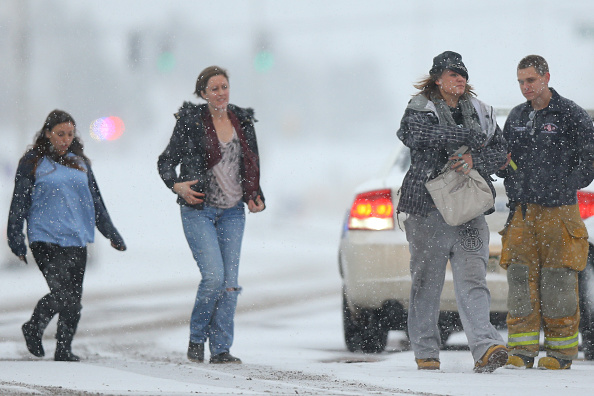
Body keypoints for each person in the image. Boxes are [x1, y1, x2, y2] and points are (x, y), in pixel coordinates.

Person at [397, 51, 508, 372]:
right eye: (452, 74)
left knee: (474, 281)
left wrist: (476, 160)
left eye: (463, 74)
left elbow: (500, 153)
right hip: (427, 210)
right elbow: (416, 136)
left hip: (470, 209)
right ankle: (426, 352)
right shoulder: (420, 107)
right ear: (437, 79)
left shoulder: (482, 111)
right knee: (426, 283)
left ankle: (485, 348)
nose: (460, 79)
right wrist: (467, 137)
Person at [158, 66, 265, 365]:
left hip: (233, 212)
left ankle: (220, 349)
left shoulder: (242, 120)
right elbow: (166, 161)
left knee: (230, 284)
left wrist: (256, 195)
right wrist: (175, 185)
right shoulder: (191, 121)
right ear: (203, 93)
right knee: (214, 278)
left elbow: (251, 163)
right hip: (199, 210)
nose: (220, 93)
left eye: (224, 87)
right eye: (214, 88)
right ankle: (196, 338)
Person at [497, 55, 594, 370]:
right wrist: (509, 177)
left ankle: (561, 353)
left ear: (546, 78)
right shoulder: (517, 117)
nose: (526, 87)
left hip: (559, 212)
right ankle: (522, 350)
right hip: (523, 212)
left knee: (558, 280)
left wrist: (567, 184)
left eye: (531, 80)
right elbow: (505, 158)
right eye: (521, 82)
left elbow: (590, 156)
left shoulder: (569, 114)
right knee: (520, 278)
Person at [7, 110, 126, 361]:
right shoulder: (32, 162)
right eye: (60, 134)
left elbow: (96, 202)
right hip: (44, 236)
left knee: (74, 301)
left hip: (76, 237)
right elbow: (19, 202)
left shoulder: (80, 162)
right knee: (63, 295)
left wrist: (111, 232)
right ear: (48, 133)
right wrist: (15, 237)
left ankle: (64, 349)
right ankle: (33, 327)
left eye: (70, 134)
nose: (65, 139)